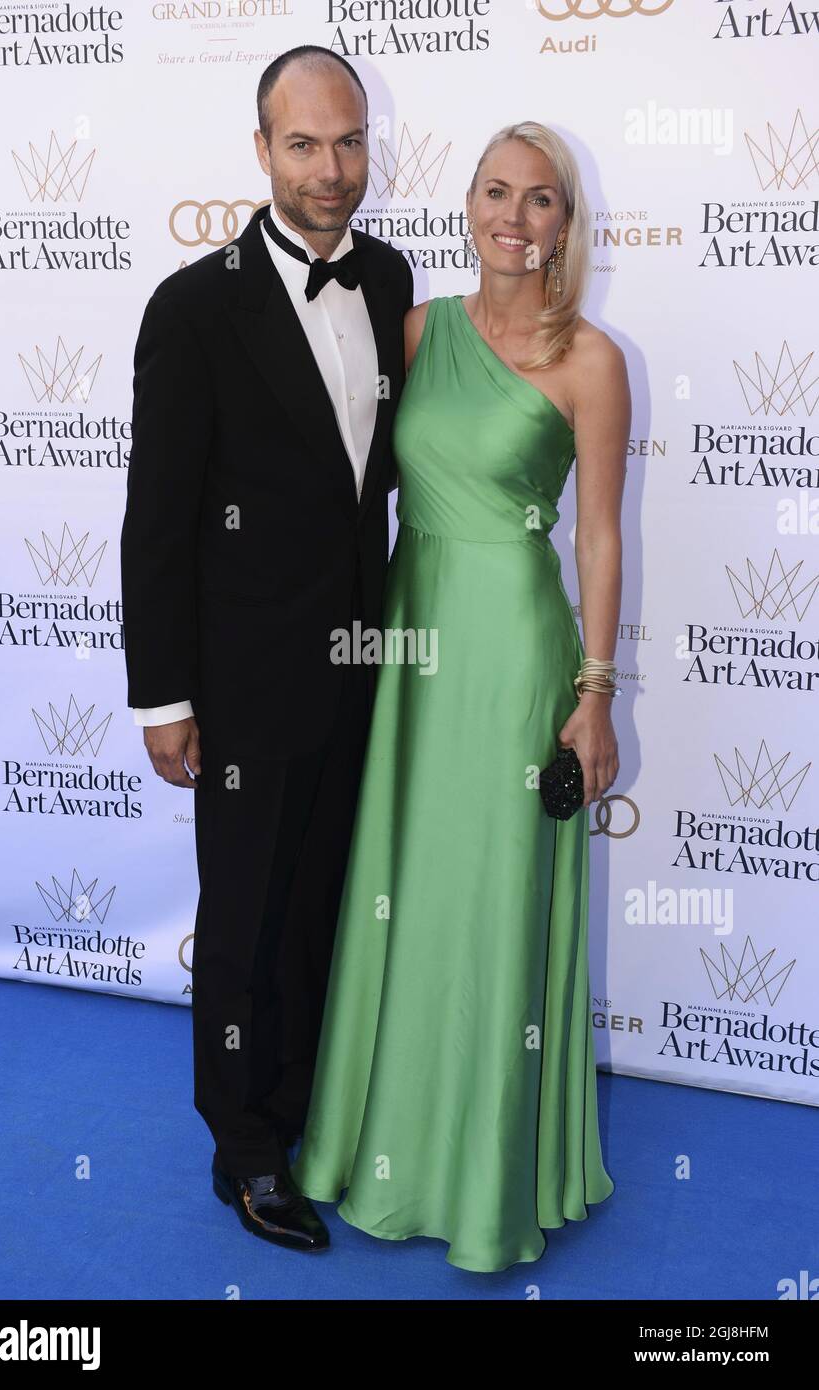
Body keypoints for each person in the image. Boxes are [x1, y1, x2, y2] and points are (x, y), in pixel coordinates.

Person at [291, 122, 629, 1272]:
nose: (514, 218)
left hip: (513, 649)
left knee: (490, 897)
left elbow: (597, 536)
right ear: (468, 204)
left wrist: (594, 694)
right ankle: (375, 1139)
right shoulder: (420, 328)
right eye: (497, 192)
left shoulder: (591, 359)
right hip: (409, 639)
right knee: (402, 886)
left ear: (564, 225)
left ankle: (486, 1177)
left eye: (540, 201)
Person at [119, 46, 413, 1252]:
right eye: (305, 144)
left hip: (362, 667)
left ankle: (305, 1113)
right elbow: (158, 518)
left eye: (349, 142)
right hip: (239, 680)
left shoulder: (392, 280)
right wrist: (163, 697)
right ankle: (243, 1148)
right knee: (242, 919)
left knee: (322, 909)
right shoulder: (194, 307)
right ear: (262, 153)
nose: (332, 169)